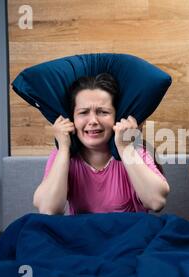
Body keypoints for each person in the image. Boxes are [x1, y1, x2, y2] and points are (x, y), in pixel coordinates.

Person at [33, 73, 170, 215]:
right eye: (83, 112)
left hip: (130, 233)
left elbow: (156, 202)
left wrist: (124, 148)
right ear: (72, 118)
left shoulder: (135, 151)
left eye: (103, 112)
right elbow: (48, 209)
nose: (93, 121)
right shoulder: (63, 154)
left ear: (116, 117)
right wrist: (63, 149)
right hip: (81, 235)